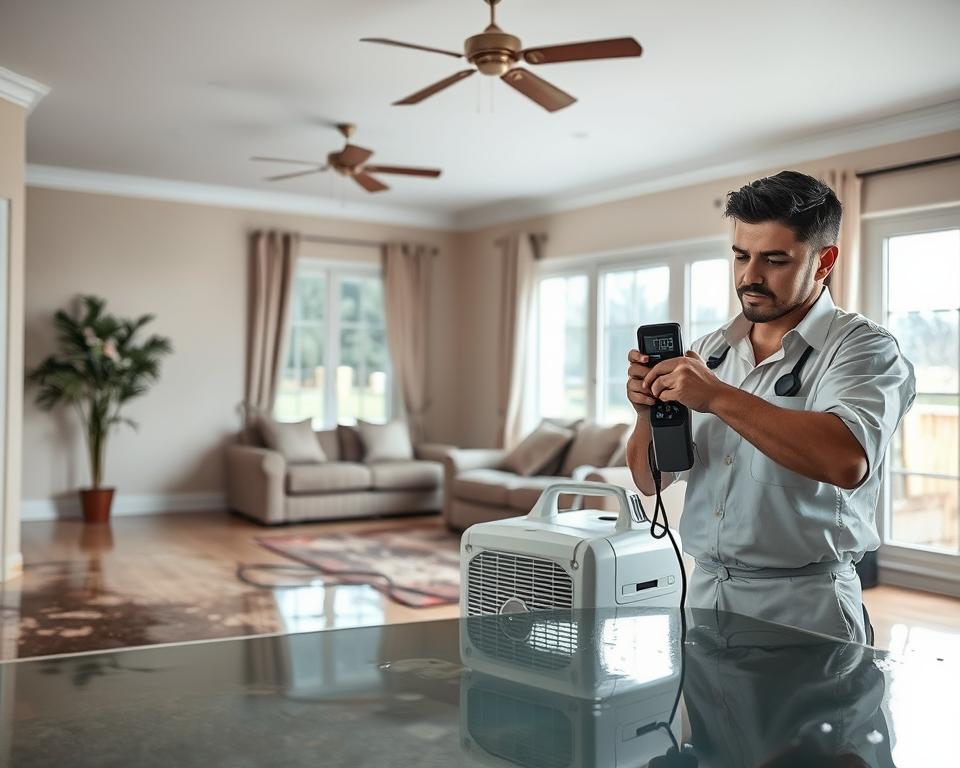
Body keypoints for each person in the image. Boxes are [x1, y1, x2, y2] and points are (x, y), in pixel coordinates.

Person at [625, 170, 916, 643]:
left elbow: (846, 459)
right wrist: (645, 415)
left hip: (803, 608)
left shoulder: (863, 348)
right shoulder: (708, 350)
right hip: (703, 598)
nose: (749, 276)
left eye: (774, 260)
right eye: (741, 255)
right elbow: (648, 479)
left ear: (824, 262)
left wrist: (717, 396)